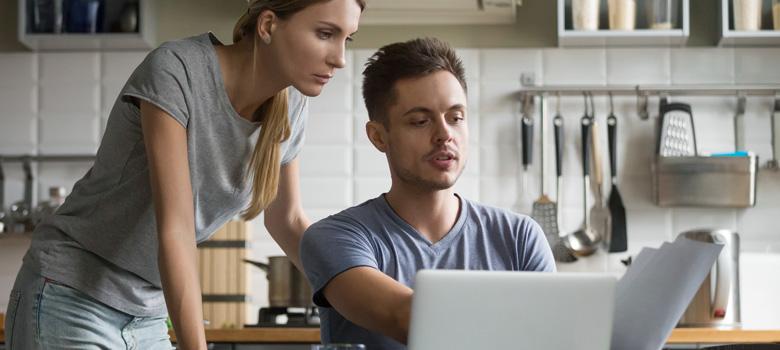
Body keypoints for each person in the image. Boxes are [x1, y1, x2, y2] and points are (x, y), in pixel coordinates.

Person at [4, 1, 363, 349]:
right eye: (325, 33)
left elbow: (287, 220)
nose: (339, 58)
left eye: (346, 39)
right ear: (268, 25)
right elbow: (175, 229)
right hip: (71, 296)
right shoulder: (177, 69)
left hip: (147, 313)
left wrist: (361, 300)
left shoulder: (293, 105)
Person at [300, 37, 556, 350]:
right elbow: (404, 317)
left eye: (456, 117)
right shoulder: (335, 237)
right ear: (379, 136)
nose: (445, 135)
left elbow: (552, 338)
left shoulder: (519, 237)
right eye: (420, 121)